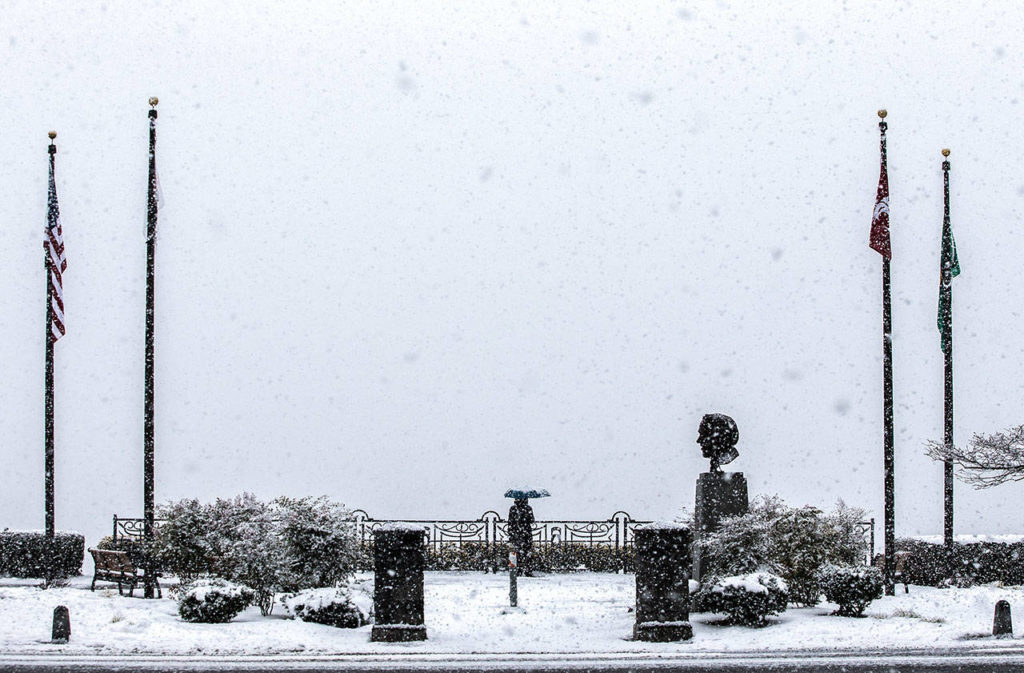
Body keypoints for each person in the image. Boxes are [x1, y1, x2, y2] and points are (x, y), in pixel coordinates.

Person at [507, 498, 535, 576]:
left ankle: (518, 570)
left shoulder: (513, 508)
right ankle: (528, 570)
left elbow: (510, 522)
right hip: (526, 533)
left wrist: (510, 533)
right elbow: (532, 520)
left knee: (517, 552)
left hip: (516, 533)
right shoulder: (528, 508)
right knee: (527, 553)